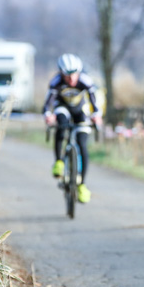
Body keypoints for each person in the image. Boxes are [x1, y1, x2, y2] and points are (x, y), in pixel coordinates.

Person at [43, 53, 103, 204]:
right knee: (61, 125)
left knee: (83, 144)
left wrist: (96, 115)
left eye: (74, 75)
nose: (71, 79)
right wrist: (48, 115)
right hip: (62, 108)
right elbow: (48, 103)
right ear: (61, 73)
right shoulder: (56, 82)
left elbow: (94, 103)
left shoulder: (85, 81)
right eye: (67, 76)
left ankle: (82, 184)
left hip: (79, 110)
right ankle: (59, 162)